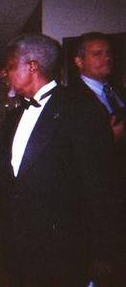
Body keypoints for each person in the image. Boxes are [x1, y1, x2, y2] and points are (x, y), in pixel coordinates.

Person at [0, 33, 117, 286]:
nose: (3, 74)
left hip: (64, 247)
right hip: (20, 244)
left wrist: (103, 252)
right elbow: (0, 176)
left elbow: (100, 186)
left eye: (8, 66)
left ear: (32, 66)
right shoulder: (15, 116)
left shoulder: (81, 109)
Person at [73, 31, 126, 283]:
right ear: (79, 61)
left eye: (108, 53)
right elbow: (74, 155)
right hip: (94, 201)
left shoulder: (114, 91)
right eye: (97, 54)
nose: (106, 58)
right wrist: (109, 140)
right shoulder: (72, 99)